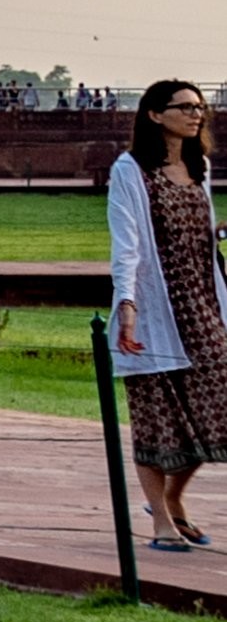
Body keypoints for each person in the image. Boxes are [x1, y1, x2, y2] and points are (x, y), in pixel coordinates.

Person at [106, 84, 222, 551]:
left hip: (203, 307)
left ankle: (172, 498)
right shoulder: (131, 170)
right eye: (185, 107)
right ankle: (161, 523)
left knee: (218, 408)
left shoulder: (199, 167)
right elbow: (127, 243)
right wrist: (127, 305)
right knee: (157, 417)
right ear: (155, 115)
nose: (196, 114)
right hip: (155, 311)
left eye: (200, 107)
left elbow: (200, 238)